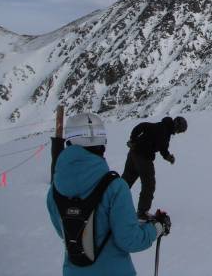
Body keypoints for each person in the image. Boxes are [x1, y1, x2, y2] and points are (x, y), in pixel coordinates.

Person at [47, 112, 170, 276]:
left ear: (69, 141)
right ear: (102, 143)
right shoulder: (114, 187)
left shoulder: (54, 190)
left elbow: (67, 232)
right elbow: (130, 240)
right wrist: (157, 227)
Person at [121, 116, 187, 219]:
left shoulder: (163, 128)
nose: (178, 133)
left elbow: (162, 148)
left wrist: (133, 140)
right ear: (177, 126)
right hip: (144, 157)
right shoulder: (163, 130)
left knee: (126, 181)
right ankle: (142, 212)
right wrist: (133, 139)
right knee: (149, 184)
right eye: (180, 130)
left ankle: (112, 202)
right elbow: (143, 127)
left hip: (134, 153)